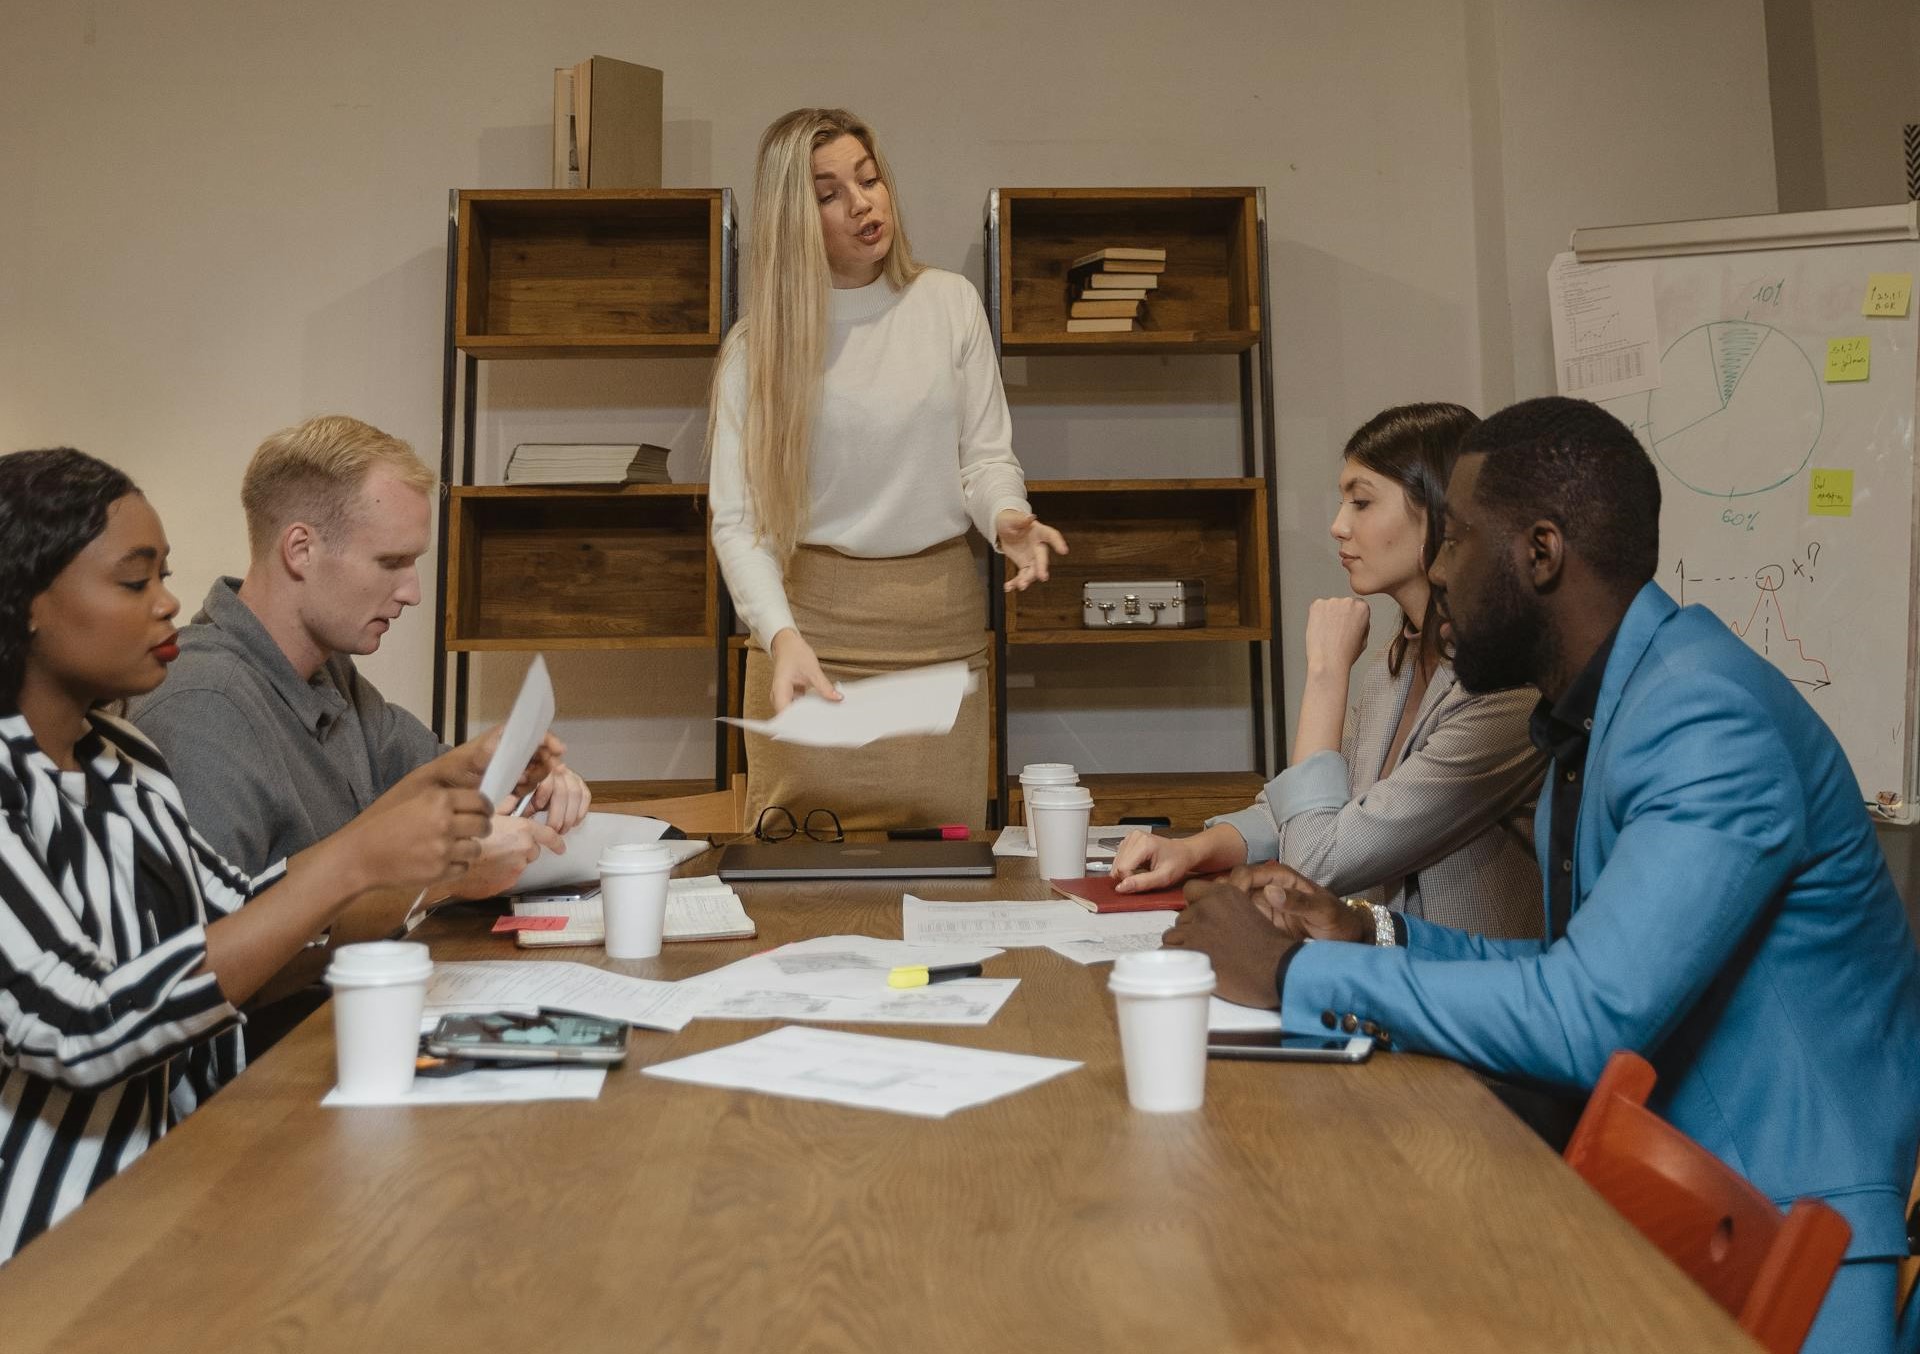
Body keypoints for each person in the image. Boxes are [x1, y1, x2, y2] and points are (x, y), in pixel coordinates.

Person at [1165, 397, 1920, 1354]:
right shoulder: (1608, 707)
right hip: (1667, 1192)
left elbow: (1585, 1016)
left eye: (1457, 543)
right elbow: (1575, 963)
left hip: (1780, 1236)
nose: (1437, 572)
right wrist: (1366, 930)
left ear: (1541, 553)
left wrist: (1287, 976)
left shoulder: (1706, 722)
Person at [0, 447, 546, 1261]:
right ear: (30, 603)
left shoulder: (123, 757)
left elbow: (236, 913)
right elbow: (83, 1024)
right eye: (133, 581)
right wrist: (362, 862)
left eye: (164, 576)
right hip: (47, 1250)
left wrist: (424, 798)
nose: (169, 603)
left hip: (171, 1192)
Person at [129, 416, 589, 1049]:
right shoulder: (202, 707)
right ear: (300, 550)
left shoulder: (327, 672)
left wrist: (520, 780)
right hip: (262, 1084)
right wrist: (443, 879)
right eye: (391, 562)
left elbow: (440, 798)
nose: (414, 592)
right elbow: (207, 979)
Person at [708, 107, 1066, 831]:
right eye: (829, 192)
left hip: (936, 630)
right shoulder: (756, 351)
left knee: (944, 859)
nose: (863, 203)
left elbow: (985, 457)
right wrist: (780, 635)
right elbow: (738, 521)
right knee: (795, 862)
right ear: (790, 219)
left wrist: (1005, 517)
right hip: (807, 635)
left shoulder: (948, 305)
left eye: (868, 179)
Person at [1110, 403, 1545, 938]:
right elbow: (1304, 807)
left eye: (1361, 502)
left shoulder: (1503, 692)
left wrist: (1324, 673)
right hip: (1376, 973)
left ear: (1441, 512)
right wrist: (1191, 850)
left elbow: (1314, 860)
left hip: (1462, 997)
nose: (1338, 526)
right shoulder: (1402, 660)